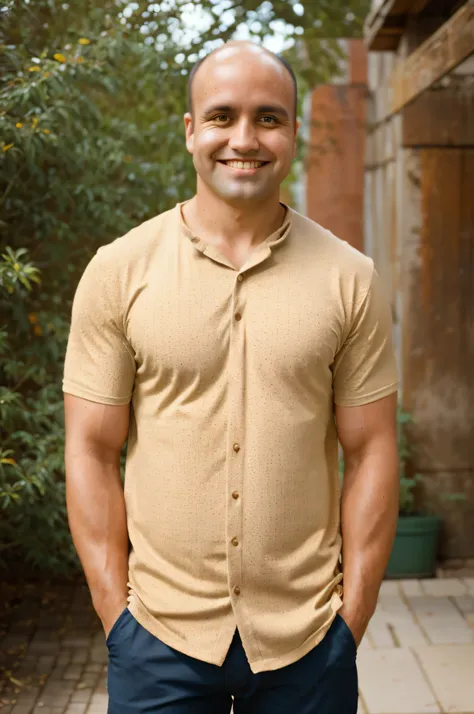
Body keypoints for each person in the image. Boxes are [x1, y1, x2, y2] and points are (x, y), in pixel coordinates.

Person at [63, 40, 399, 714]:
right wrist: (116, 619)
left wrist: (349, 622)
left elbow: (372, 450)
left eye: (268, 118)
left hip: (308, 644)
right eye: (222, 116)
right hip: (158, 638)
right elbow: (91, 449)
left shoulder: (349, 278)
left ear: (294, 132)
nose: (244, 139)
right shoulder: (118, 271)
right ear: (190, 131)